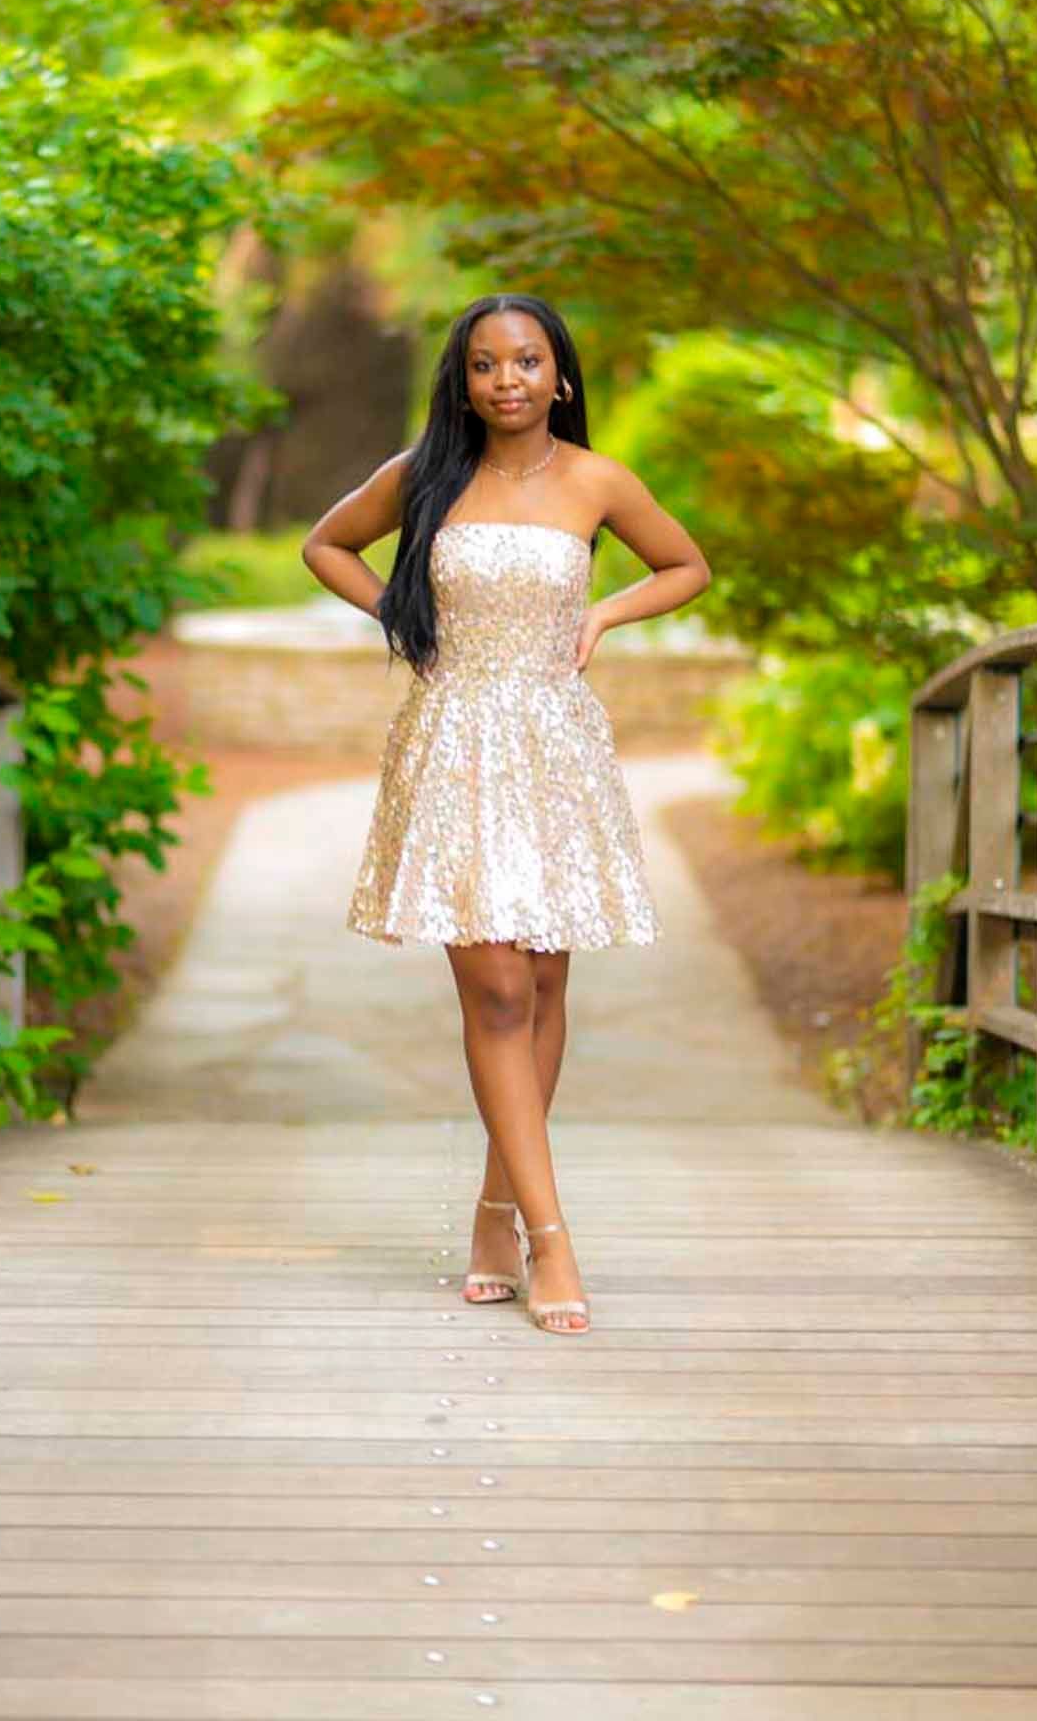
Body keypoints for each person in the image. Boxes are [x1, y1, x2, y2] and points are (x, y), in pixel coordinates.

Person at [301, 293, 710, 1335]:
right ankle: (550, 1235)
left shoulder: (595, 479)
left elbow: (685, 566)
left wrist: (604, 612)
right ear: (464, 379)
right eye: (485, 364)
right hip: (452, 741)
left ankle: (494, 1208)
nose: (507, 380)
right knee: (492, 985)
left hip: (555, 745)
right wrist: (403, 616)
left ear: (558, 374)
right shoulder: (426, 474)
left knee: (538, 976)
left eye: (526, 360)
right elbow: (326, 545)